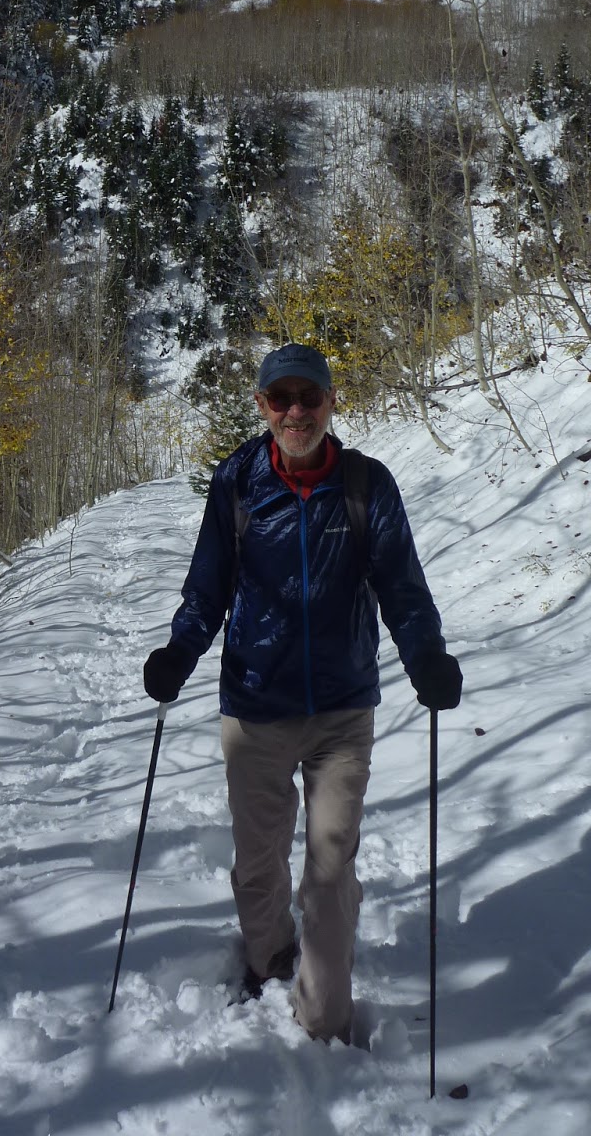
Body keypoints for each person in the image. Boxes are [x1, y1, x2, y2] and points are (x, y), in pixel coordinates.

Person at [143, 342, 461, 1045]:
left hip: (343, 708)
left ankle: (324, 1017)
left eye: (308, 397)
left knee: (329, 864)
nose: (295, 411)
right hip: (255, 705)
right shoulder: (237, 483)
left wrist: (427, 655)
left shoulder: (365, 484)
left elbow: (401, 588)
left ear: (330, 402)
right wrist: (179, 652)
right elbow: (209, 587)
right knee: (259, 862)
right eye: (280, 399)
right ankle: (267, 958)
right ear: (261, 406)